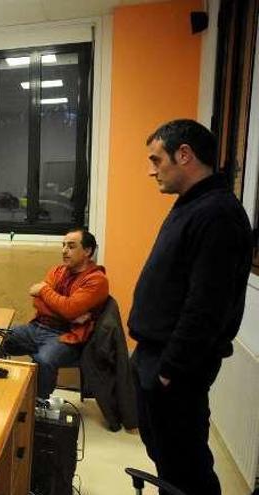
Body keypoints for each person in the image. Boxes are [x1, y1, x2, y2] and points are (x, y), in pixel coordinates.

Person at [128, 119, 252, 495]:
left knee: (187, 468)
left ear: (184, 155)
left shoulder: (217, 214)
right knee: (168, 460)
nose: (151, 170)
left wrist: (170, 371)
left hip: (174, 368)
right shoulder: (193, 204)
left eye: (156, 159)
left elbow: (206, 306)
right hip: (155, 357)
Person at [2, 227, 109, 399]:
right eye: (63, 245)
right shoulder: (57, 271)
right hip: (38, 327)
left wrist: (45, 292)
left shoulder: (97, 280)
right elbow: (38, 302)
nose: (64, 251)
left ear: (88, 251)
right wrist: (68, 311)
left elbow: (68, 309)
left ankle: (38, 404)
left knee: (44, 360)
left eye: (71, 246)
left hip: (67, 336)